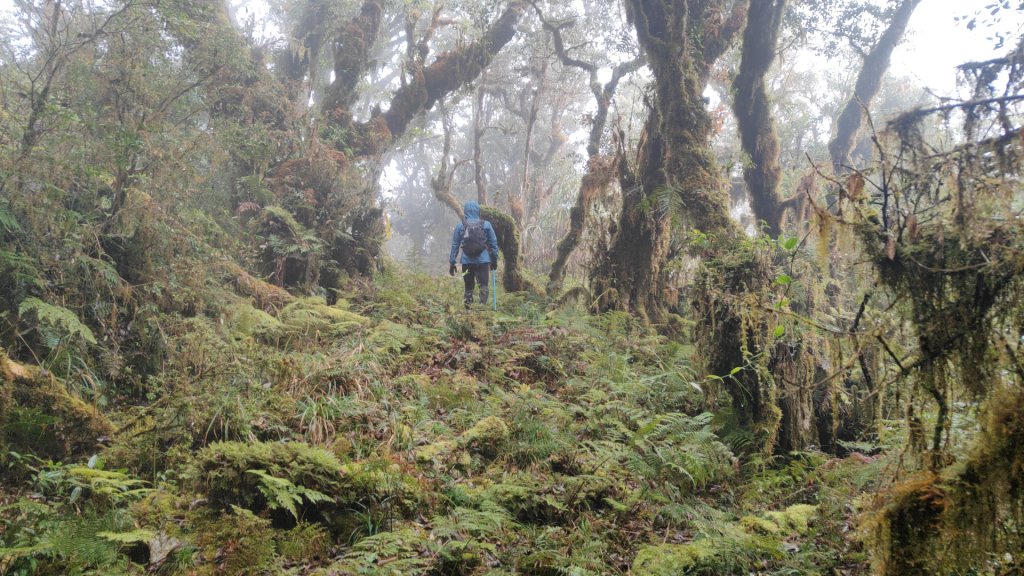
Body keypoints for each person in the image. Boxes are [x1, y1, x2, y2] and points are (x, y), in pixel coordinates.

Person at [449, 201, 499, 308]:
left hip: (467, 262)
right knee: (484, 286)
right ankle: (482, 310)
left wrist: (452, 262)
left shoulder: (460, 226)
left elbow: (455, 245)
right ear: (478, 210)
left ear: (466, 211)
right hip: (483, 261)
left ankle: (468, 313)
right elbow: (493, 243)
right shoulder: (486, 224)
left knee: (468, 288)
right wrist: (494, 260)